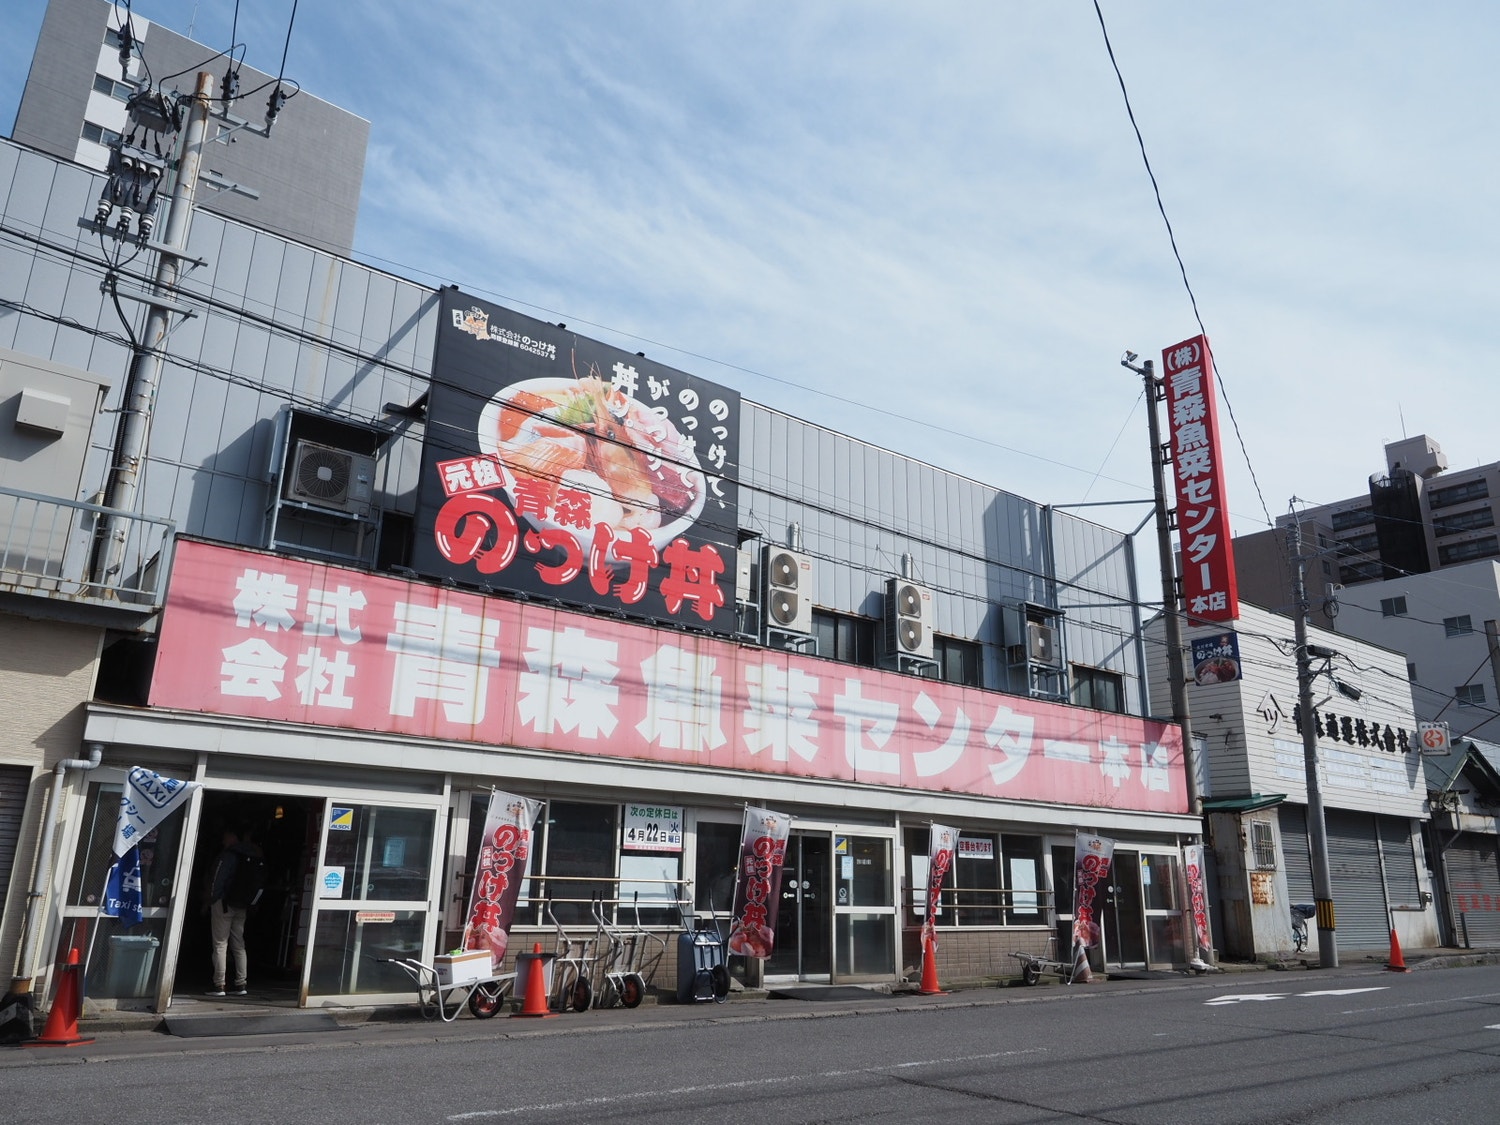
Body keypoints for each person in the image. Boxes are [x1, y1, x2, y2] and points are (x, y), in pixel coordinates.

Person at [204, 824, 261, 996]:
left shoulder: (228, 855)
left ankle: (219, 985)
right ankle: (241, 983)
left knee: (220, 944)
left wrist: (211, 899)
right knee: (239, 944)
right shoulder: (252, 855)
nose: (223, 840)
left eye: (225, 836)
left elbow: (217, 880)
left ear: (232, 836)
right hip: (242, 905)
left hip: (224, 903)